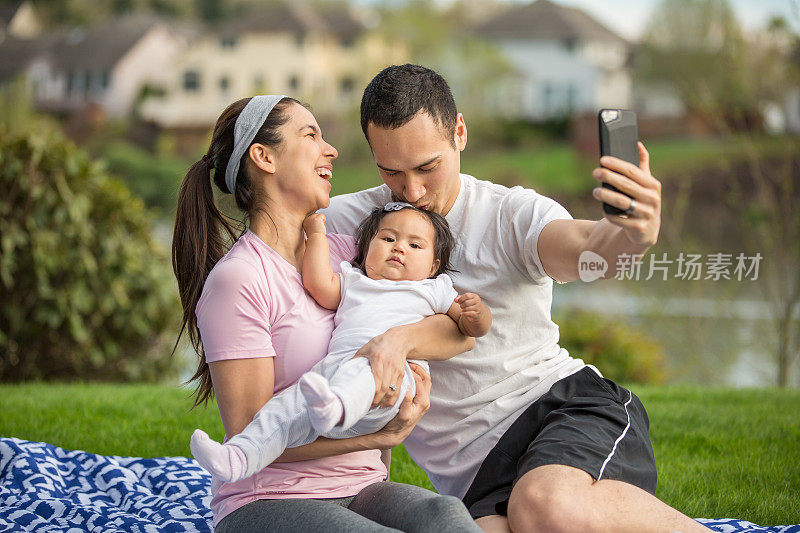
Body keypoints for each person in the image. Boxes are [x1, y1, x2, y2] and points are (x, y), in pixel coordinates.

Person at [320, 65, 710, 532]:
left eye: (428, 167)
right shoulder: (353, 221)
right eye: (392, 171)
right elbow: (259, 243)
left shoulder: (512, 213)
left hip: (559, 410)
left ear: (459, 133)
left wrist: (631, 236)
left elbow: (590, 252)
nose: (413, 192)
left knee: (547, 507)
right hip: (477, 480)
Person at [172, 94, 484, 532]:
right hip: (269, 498)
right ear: (264, 157)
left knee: (447, 515)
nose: (331, 149)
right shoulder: (239, 279)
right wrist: (379, 436)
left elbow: (460, 334)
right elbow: (248, 433)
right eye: (311, 134)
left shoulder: (346, 255)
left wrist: (396, 343)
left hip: (362, 487)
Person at [189, 202, 491, 483]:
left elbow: (466, 330)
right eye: (387, 239)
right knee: (284, 406)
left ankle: (337, 407)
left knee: (362, 372)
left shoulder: (433, 288)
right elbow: (319, 284)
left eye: (414, 245)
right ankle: (239, 457)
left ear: (433, 266)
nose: (399, 247)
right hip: (333, 371)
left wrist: (477, 316)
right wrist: (317, 234)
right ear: (366, 247)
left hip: (392, 380)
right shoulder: (354, 277)